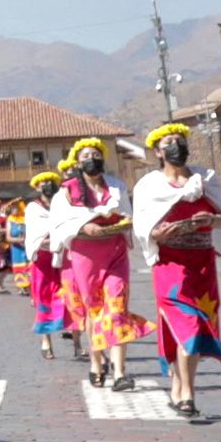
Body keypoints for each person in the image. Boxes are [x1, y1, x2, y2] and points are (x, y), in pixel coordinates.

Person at [129, 121, 221, 422]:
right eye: (169, 142)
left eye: (180, 140)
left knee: (196, 328)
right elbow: (144, 226)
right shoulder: (149, 185)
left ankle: (180, 384)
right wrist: (159, 231)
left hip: (202, 263)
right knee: (188, 325)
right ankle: (188, 394)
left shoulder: (206, 179)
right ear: (158, 151)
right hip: (170, 265)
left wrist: (210, 218)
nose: (177, 146)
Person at [45, 140, 145, 391]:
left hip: (115, 251)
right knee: (95, 310)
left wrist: (124, 224)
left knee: (118, 305)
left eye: (96, 154)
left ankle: (120, 371)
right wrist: (82, 227)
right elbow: (57, 224)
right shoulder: (65, 193)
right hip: (85, 254)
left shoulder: (118, 187)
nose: (92, 158)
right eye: (86, 155)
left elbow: (128, 215)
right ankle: (96, 360)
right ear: (78, 162)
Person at [20, 172, 70, 359]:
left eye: (51, 182)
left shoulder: (64, 205)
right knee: (44, 300)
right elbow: (35, 233)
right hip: (42, 260)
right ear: (37, 187)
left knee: (70, 296)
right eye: (43, 183)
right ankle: (46, 340)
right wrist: (52, 236)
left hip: (63, 257)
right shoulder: (33, 208)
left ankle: (77, 339)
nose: (48, 185)